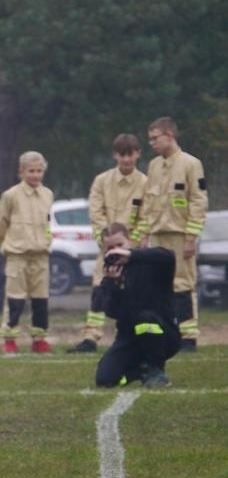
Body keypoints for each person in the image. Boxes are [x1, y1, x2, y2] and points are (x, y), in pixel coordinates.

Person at [69, 134, 147, 353]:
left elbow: (148, 216)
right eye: (122, 155)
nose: (126, 160)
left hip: (134, 251)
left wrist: (131, 244)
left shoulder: (146, 183)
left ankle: (134, 335)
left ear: (138, 154)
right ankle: (91, 338)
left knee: (134, 292)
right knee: (99, 291)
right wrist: (106, 242)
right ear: (115, 155)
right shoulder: (101, 181)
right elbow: (96, 213)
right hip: (107, 250)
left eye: (131, 154)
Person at [137, 117, 208, 352]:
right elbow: (148, 201)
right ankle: (166, 330)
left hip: (180, 235)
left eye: (155, 138)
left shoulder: (190, 164)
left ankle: (188, 335)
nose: (152, 143)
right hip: (158, 234)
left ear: (169, 135)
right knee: (159, 285)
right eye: (150, 139)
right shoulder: (154, 166)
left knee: (183, 285)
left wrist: (191, 237)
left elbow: (198, 201)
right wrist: (144, 232)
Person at [95, 222, 180, 389]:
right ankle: (139, 371)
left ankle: (156, 369)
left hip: (163, 333)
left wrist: (130, 255)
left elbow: (168, 256)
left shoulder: (148, 262)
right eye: (110, 248)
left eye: (120, 245)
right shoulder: (111, 276)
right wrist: (114, 284)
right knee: (105, 379)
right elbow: (111, 311)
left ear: (129, 242)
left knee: (145, 318)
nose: (115, 251)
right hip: (130, 337)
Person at [0, 150, 53, 354]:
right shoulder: (11, 195)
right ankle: (10, 338)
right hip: (17, 254)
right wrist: (9, 244)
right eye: (31, 171)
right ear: (21, 172)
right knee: (15, 298)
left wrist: (46, 241)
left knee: (40, 298)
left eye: (39, 171)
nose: (35, 175)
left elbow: (48, 223)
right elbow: (1, 225)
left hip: (41, 254)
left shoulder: (47, 194)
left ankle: (39, 338)